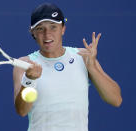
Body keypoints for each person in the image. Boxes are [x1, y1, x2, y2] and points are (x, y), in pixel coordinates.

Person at [13, 3, 122, 131]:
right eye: (41, 29)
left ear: (63, 29)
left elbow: (116, 100)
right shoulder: (25, 64)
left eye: (53, 27)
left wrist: (92, 68)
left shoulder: (83, 57)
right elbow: (22, 110)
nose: (47, 35)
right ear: (33, 32)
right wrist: (29, 80)